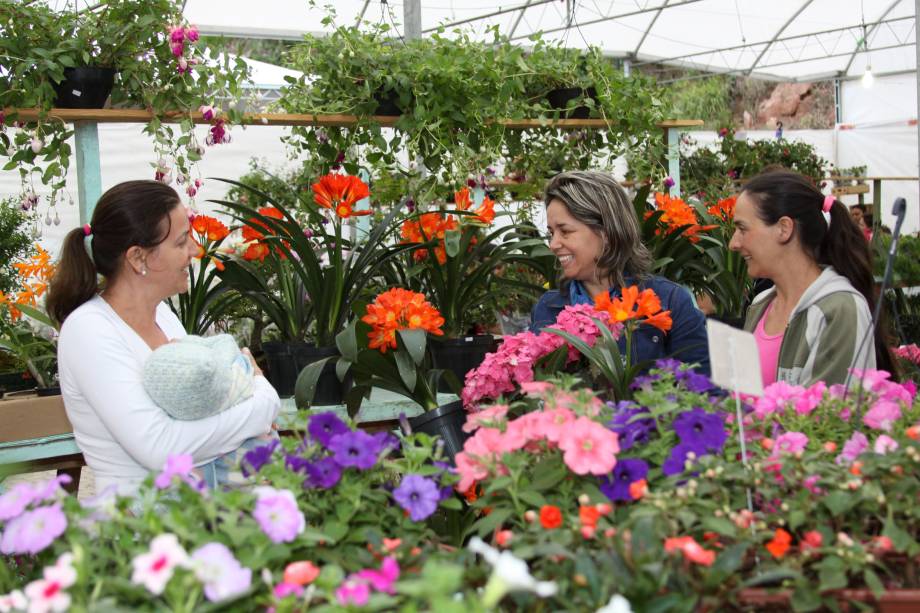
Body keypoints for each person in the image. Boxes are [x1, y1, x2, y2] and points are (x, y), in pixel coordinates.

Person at [48, 181, 280, 496]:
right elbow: (162, 448)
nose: (195, 251)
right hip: (137, 527)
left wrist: (234, 419)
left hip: (197, 514)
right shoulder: (89, 331)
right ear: (138, 258)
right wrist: (263, 400)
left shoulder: (166, 319)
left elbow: (204, 415)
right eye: (182, 241)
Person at [530, 170, 711, 375]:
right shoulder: (547, 308)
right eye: (551, 233)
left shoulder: (670, 302)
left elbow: (704, 391)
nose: (553, 244)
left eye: (565, 231)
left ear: (607, 232)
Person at [730, 170, 896, 387]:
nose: (733, 243)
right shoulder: (761, 305)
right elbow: (741, 399)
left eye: (742, 229)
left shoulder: (838, 310)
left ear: (784, 228)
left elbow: (829, 416)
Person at [143, 334, 279, 487]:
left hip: (218, 473)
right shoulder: (236, 378)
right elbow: (226, 342)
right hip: (256, 455)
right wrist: (184, 342)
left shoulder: (182, 408)